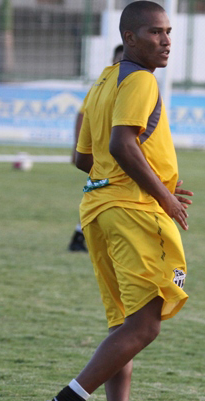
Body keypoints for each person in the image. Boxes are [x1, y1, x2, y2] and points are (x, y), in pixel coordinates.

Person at [34, 1, 192, 401]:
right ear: (130, 38)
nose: (165, 41)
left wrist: (155, 177)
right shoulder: (141, 80)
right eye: (155, 32)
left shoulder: (104, 81)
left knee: (124, 325)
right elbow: (122, 144)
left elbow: (85, 158)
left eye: (168, 32)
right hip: (132, 210)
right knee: (145, 326)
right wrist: (162, 194)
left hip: (99, 209)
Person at [68, 44, 124, 252]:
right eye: (118, 60)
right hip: (105, 154)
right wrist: (78, 147)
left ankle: (81, 236)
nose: (121, 64)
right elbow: (83, 114)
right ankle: (80, 236)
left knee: (103, 194)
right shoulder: (102, 86)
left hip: (120, 155)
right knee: (99, 191)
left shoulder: (135, 84)